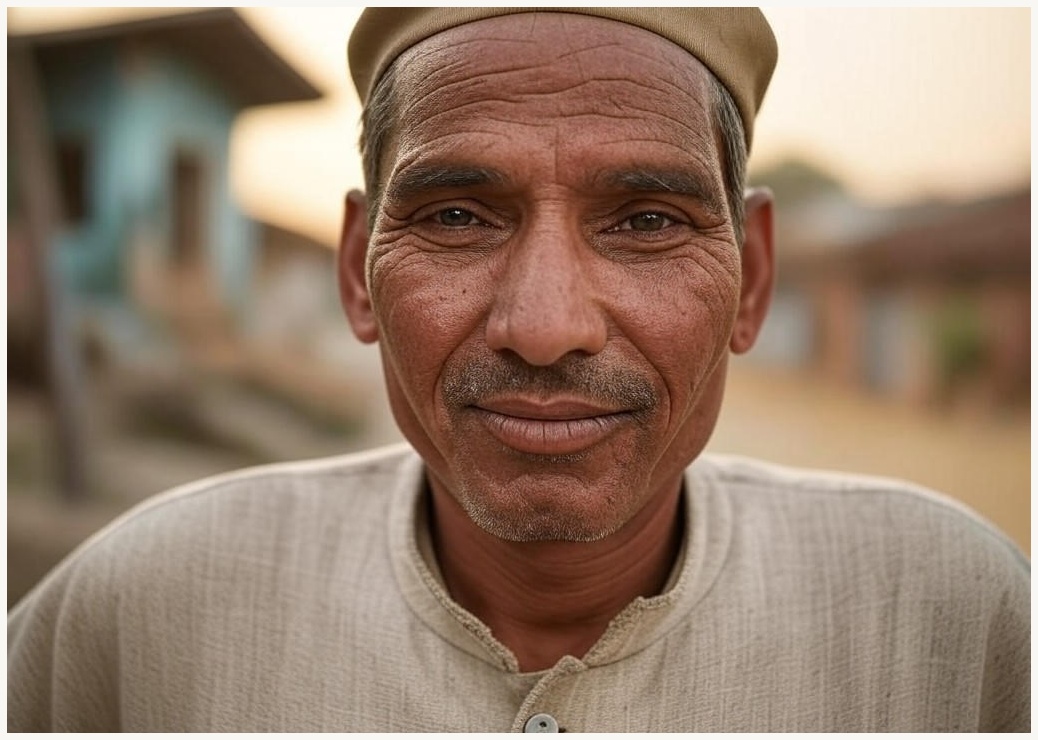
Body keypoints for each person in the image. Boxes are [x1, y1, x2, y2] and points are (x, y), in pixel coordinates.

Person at [7, 8, 1029, 732]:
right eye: (456, 215)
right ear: (357, 274)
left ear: (752, 280)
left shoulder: (952, 622)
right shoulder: (140, 619)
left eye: (645, 220)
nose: (545, 327)